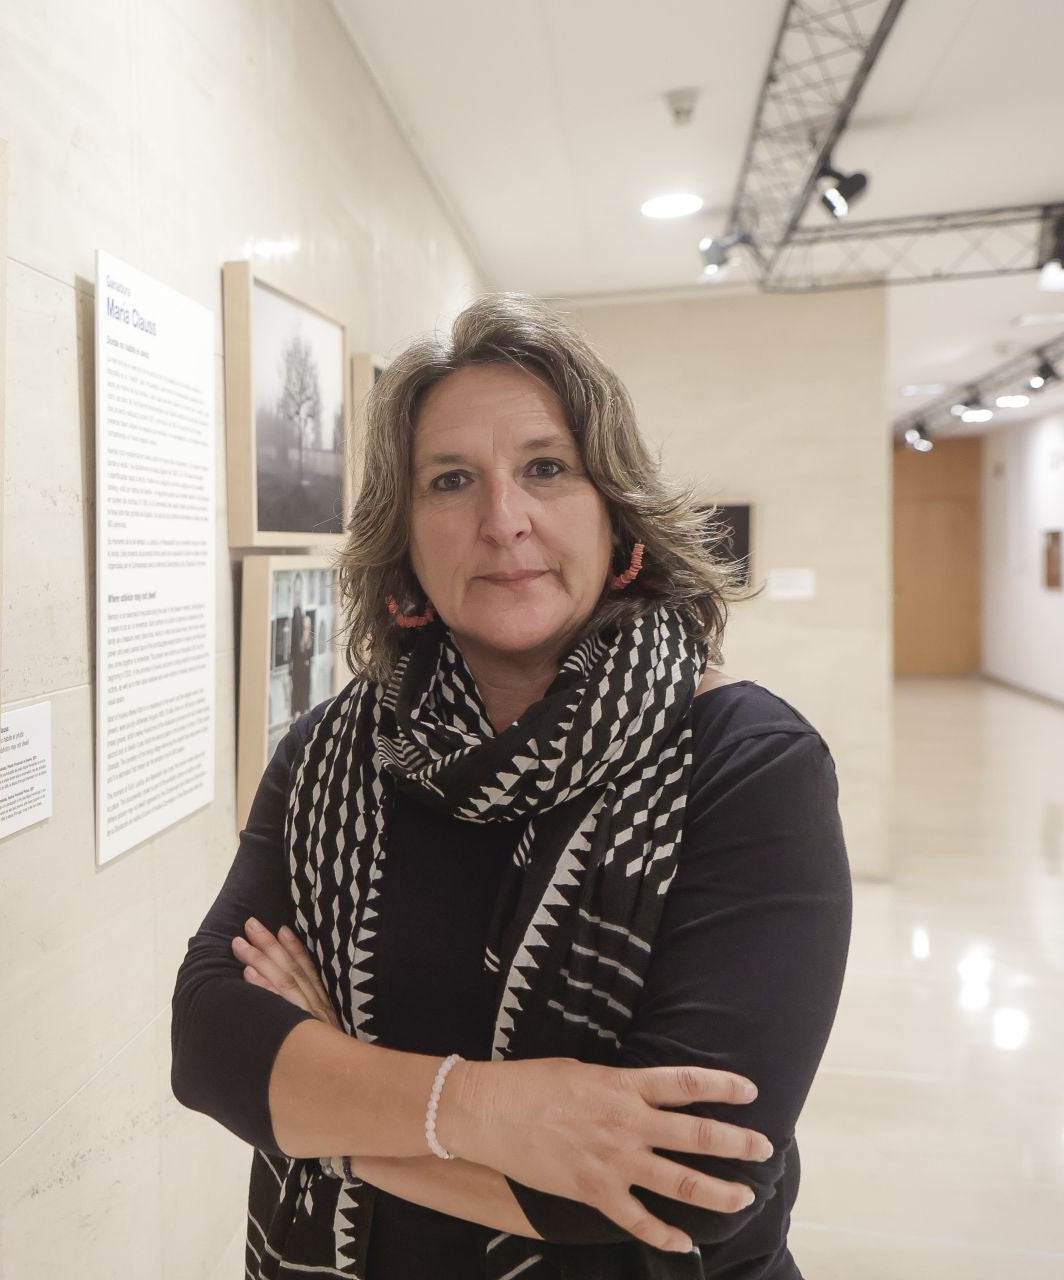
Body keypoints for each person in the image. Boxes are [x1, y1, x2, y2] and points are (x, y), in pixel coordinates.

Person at [171, 295, 852, 1279]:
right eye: (451, 480)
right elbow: (212, 1044)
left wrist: (330, 1105)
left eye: (546, 468)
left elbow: (675, 1184)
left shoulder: (750, 763)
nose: (503, 519)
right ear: (404, 543)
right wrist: (494, 1111)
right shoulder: (333, 753)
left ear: (617, 515)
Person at [287, 576, 314, 718]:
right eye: (296, 591)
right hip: (297, 664)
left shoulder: (300, 612)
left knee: (304, 689)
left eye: (299, 591)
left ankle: (302, 711)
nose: (298, 595)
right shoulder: (294, 614)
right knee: (297, 690)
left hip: (303, 665)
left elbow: (305, 645)